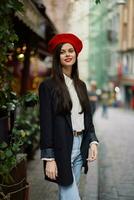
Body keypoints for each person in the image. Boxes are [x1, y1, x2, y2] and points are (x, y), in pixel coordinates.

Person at [39, 33, 99, 200]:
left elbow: (88, 119)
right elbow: (46, 124)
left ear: (76, 54)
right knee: (71, 196)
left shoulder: (81, 85)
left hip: (80, 147)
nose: (67, 54)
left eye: (70, 50)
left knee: (66, 195)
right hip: (61, 147)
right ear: (57, 57)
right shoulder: (47, 86)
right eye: (62, 51)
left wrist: (93, 141)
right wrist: (49, 158)